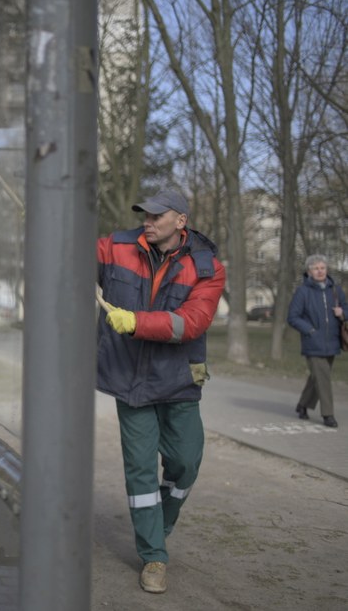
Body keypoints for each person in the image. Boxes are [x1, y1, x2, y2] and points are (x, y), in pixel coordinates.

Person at [96, 190, 226, 595]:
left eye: (156, 216)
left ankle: (160, 523)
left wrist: (136, 322)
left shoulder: (207, 267)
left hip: (178, 380)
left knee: (185, 463)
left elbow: (191, 322)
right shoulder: (116, 247)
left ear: (180, 221)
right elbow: (69, 256)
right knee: (140, 470)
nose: (147, 222)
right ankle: (154, 555)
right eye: (145, 215)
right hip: (128, 380)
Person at [287, 254, 345, 428]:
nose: (320, 271)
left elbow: (346, 308)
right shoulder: (303, 291)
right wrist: (310, 331)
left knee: (317, 378)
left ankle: (303, 405)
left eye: (322, 268)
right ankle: (328, 414)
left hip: (332, 341)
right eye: (316, 268)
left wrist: (342, 312)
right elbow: (293, 317)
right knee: (323, 378)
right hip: (313, 342)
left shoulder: (335, 290)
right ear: (309, 271)